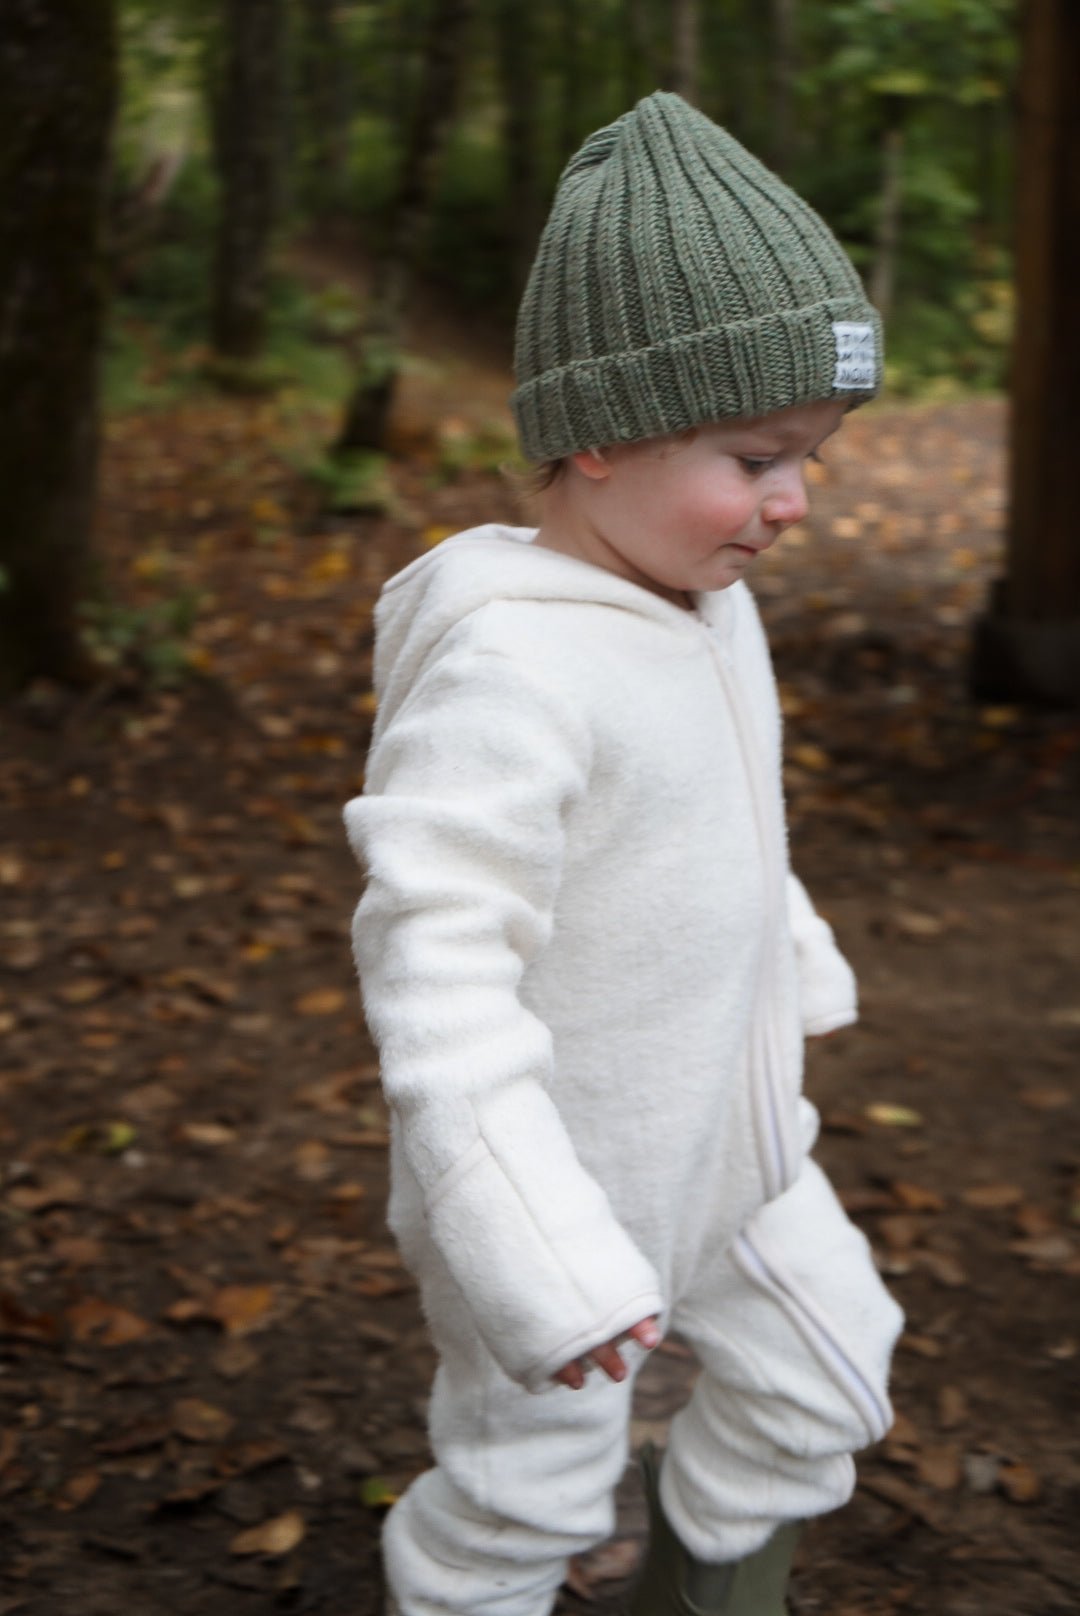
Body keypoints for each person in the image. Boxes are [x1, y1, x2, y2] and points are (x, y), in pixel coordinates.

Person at [344, 91, 904, 1616]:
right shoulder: (509, 669)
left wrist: (787, 954)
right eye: (757, 455)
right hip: (555, 1190)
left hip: (733, 1151)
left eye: (815, 454)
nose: (794, 501)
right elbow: (438, 978)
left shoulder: (703, 598)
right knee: (523, 1503)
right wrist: (535, 1251)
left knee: (828, 1387)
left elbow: (720, 810)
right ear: (597, 435)